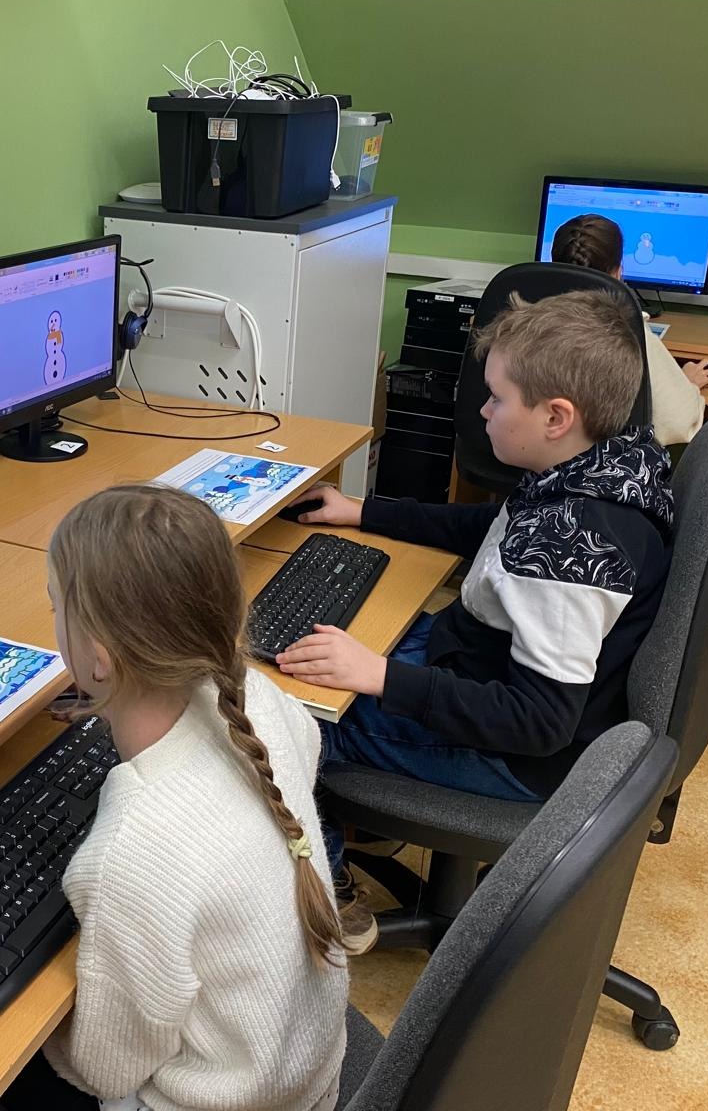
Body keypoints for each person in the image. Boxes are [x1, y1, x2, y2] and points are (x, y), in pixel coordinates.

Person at [279, 290, 674, 954]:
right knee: (329, 642)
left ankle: (328, 891)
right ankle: (367, 812)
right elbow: (495, 527)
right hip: (479, 662)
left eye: (496, 398)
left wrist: (380, 677)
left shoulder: (567, 552)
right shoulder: (608, 463)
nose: (484, 411)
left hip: (516, 754)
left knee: (289, 713)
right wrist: (365, 512)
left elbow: (539, 722)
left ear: (556, 417)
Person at [0, 484, 349, 1111]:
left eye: (55, 606)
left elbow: (106, 1069)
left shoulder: (132, 852)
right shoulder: (263, 701)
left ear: (99, 659)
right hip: (306, 1074)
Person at [553, 212, 708, 446]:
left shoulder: (526, 323)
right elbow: (677, 423)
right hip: (599, 464)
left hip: (530, 456)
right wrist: (687, 385)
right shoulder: (626, 332)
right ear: (618, 272)